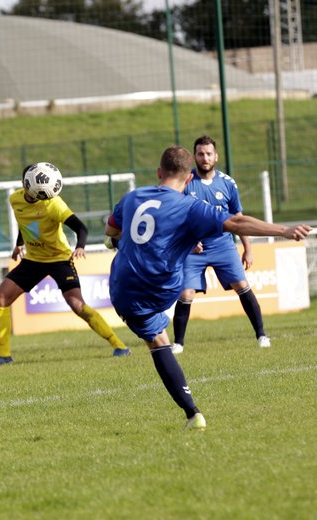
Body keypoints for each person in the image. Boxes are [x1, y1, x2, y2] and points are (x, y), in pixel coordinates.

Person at [104, 146, 309, 431]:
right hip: (159, 287)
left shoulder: (132, 197)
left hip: (123, 288)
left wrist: (122, 242)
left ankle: (193, 413)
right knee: (161, 335)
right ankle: (192, 412)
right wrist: (283, 231)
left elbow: (111, 232)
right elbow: (236, 221)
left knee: (158, 340)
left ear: (158, 172)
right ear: (189, 179)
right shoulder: (189, 207)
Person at [0, 164, 129, 366]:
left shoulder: (53, 204)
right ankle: (4, 356)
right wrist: (20, 244)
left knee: (77, 305)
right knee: (0, 298)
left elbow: (81, 227)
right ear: (26, 183)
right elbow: (24, 222)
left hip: (59, 259)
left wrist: (80, 246)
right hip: (34, 260)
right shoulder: (15, 199)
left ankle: (120, 346)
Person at [171, 135, 270, 354]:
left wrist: (248, 248)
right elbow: (177, 216)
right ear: (194, 156)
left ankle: (262, 335)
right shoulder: (185, 182)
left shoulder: (227, 183)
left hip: (223, 245)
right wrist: (189, 240)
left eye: (208, 154)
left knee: (242, 286)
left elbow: (238, 217)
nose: (204, 158)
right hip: (194, 249)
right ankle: (178, 343)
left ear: (216, 156)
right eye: (200, 154)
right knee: (186, 293)